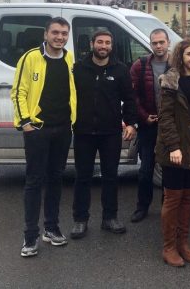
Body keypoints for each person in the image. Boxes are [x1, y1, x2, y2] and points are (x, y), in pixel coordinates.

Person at [11, 17, 76, 257]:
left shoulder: (69, 58)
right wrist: (26, 123)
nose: (60, 37)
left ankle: (51, 228)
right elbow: (18, 92)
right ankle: (30, 236)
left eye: (64, 33)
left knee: (56, 179)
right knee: (34, 181)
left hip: (63, 128)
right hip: (38, 129)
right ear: (46, 34)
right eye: (55, 32)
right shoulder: (30, 58)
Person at [71, 30, 138, 239]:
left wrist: (131, 123)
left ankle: (110, 217)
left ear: (111, 46)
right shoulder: (78, 68)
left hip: (110, 133)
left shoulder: (120, 70)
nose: (104, 46)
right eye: (100, 42)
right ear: (92, 44)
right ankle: (80, 219)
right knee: (82, 177)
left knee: (110, 176)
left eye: (107, 42)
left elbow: (129, 98)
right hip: (83, 132)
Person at [155, 39, 190, 267]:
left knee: (188, 196)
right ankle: (169, 247)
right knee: (173, 198)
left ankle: (183, 242)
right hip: (174, 146)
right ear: (181, 56)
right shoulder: (170, 80)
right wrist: (174, 147)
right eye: (189, 54)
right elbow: (165, 117)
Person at [129, 28, 171, 223]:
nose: (158, 46)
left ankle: (167, 207)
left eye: (162, 42)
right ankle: (142, 207)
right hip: (148, 126)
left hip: (171, 127)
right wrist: (144, 117)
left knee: (169, 170)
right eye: (155, 43)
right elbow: (133, 96)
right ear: (150, 44)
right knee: (146, 170)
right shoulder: (140, 65)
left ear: (168, 42)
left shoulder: (177, 64)